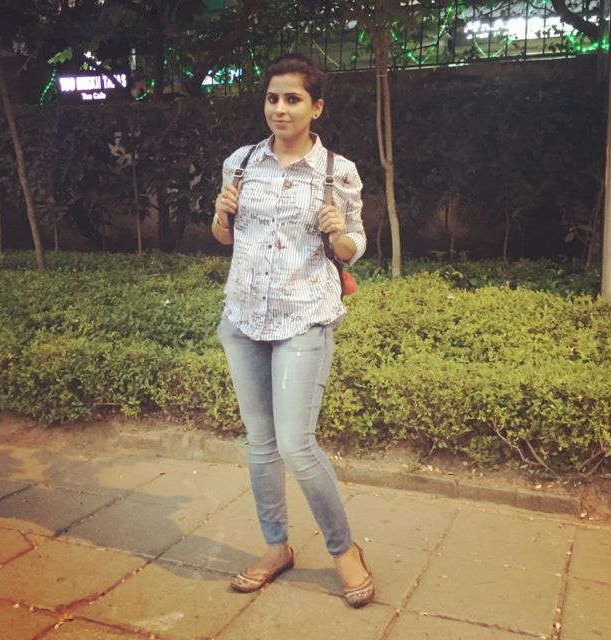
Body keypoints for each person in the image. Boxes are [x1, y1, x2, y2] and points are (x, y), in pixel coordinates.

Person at [211, 53, 373, 608]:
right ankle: (276, 547)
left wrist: (340, 232)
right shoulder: (240, 163)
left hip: (304, 316)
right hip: (243, 317)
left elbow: (354, 245)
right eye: (272, 98)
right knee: (260, 444)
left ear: (316, 107)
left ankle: (344, 550)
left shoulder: (337, 171)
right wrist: (220, 214)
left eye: (293, 99)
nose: (280, 109)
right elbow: (225, 236)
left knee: (296, 446)